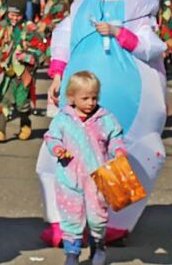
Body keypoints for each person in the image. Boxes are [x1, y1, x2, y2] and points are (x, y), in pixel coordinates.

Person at [43, 70, 126, 265]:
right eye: (85, 98)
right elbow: (52, 136)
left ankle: (98, 245)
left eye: (94, 98)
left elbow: (115, 137)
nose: (90, 102)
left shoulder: (105, 118)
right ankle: (72, 253)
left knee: (98, 217)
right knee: (71, 216)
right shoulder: (64, 118)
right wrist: (57, 148)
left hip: (99, 176)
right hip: (69, 177)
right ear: (71, 98)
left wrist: (119, 150)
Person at [0, 0, 43, 142]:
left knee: (21, 103)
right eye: (11, 14)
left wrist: (25, 56)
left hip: (23, 73)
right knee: (2, 100)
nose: (14, 18)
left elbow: (40, 51)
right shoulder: (2, 27)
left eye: (18, 15)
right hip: (5, 72)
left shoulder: (30, 29)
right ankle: (0, 130)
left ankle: (25, 123)